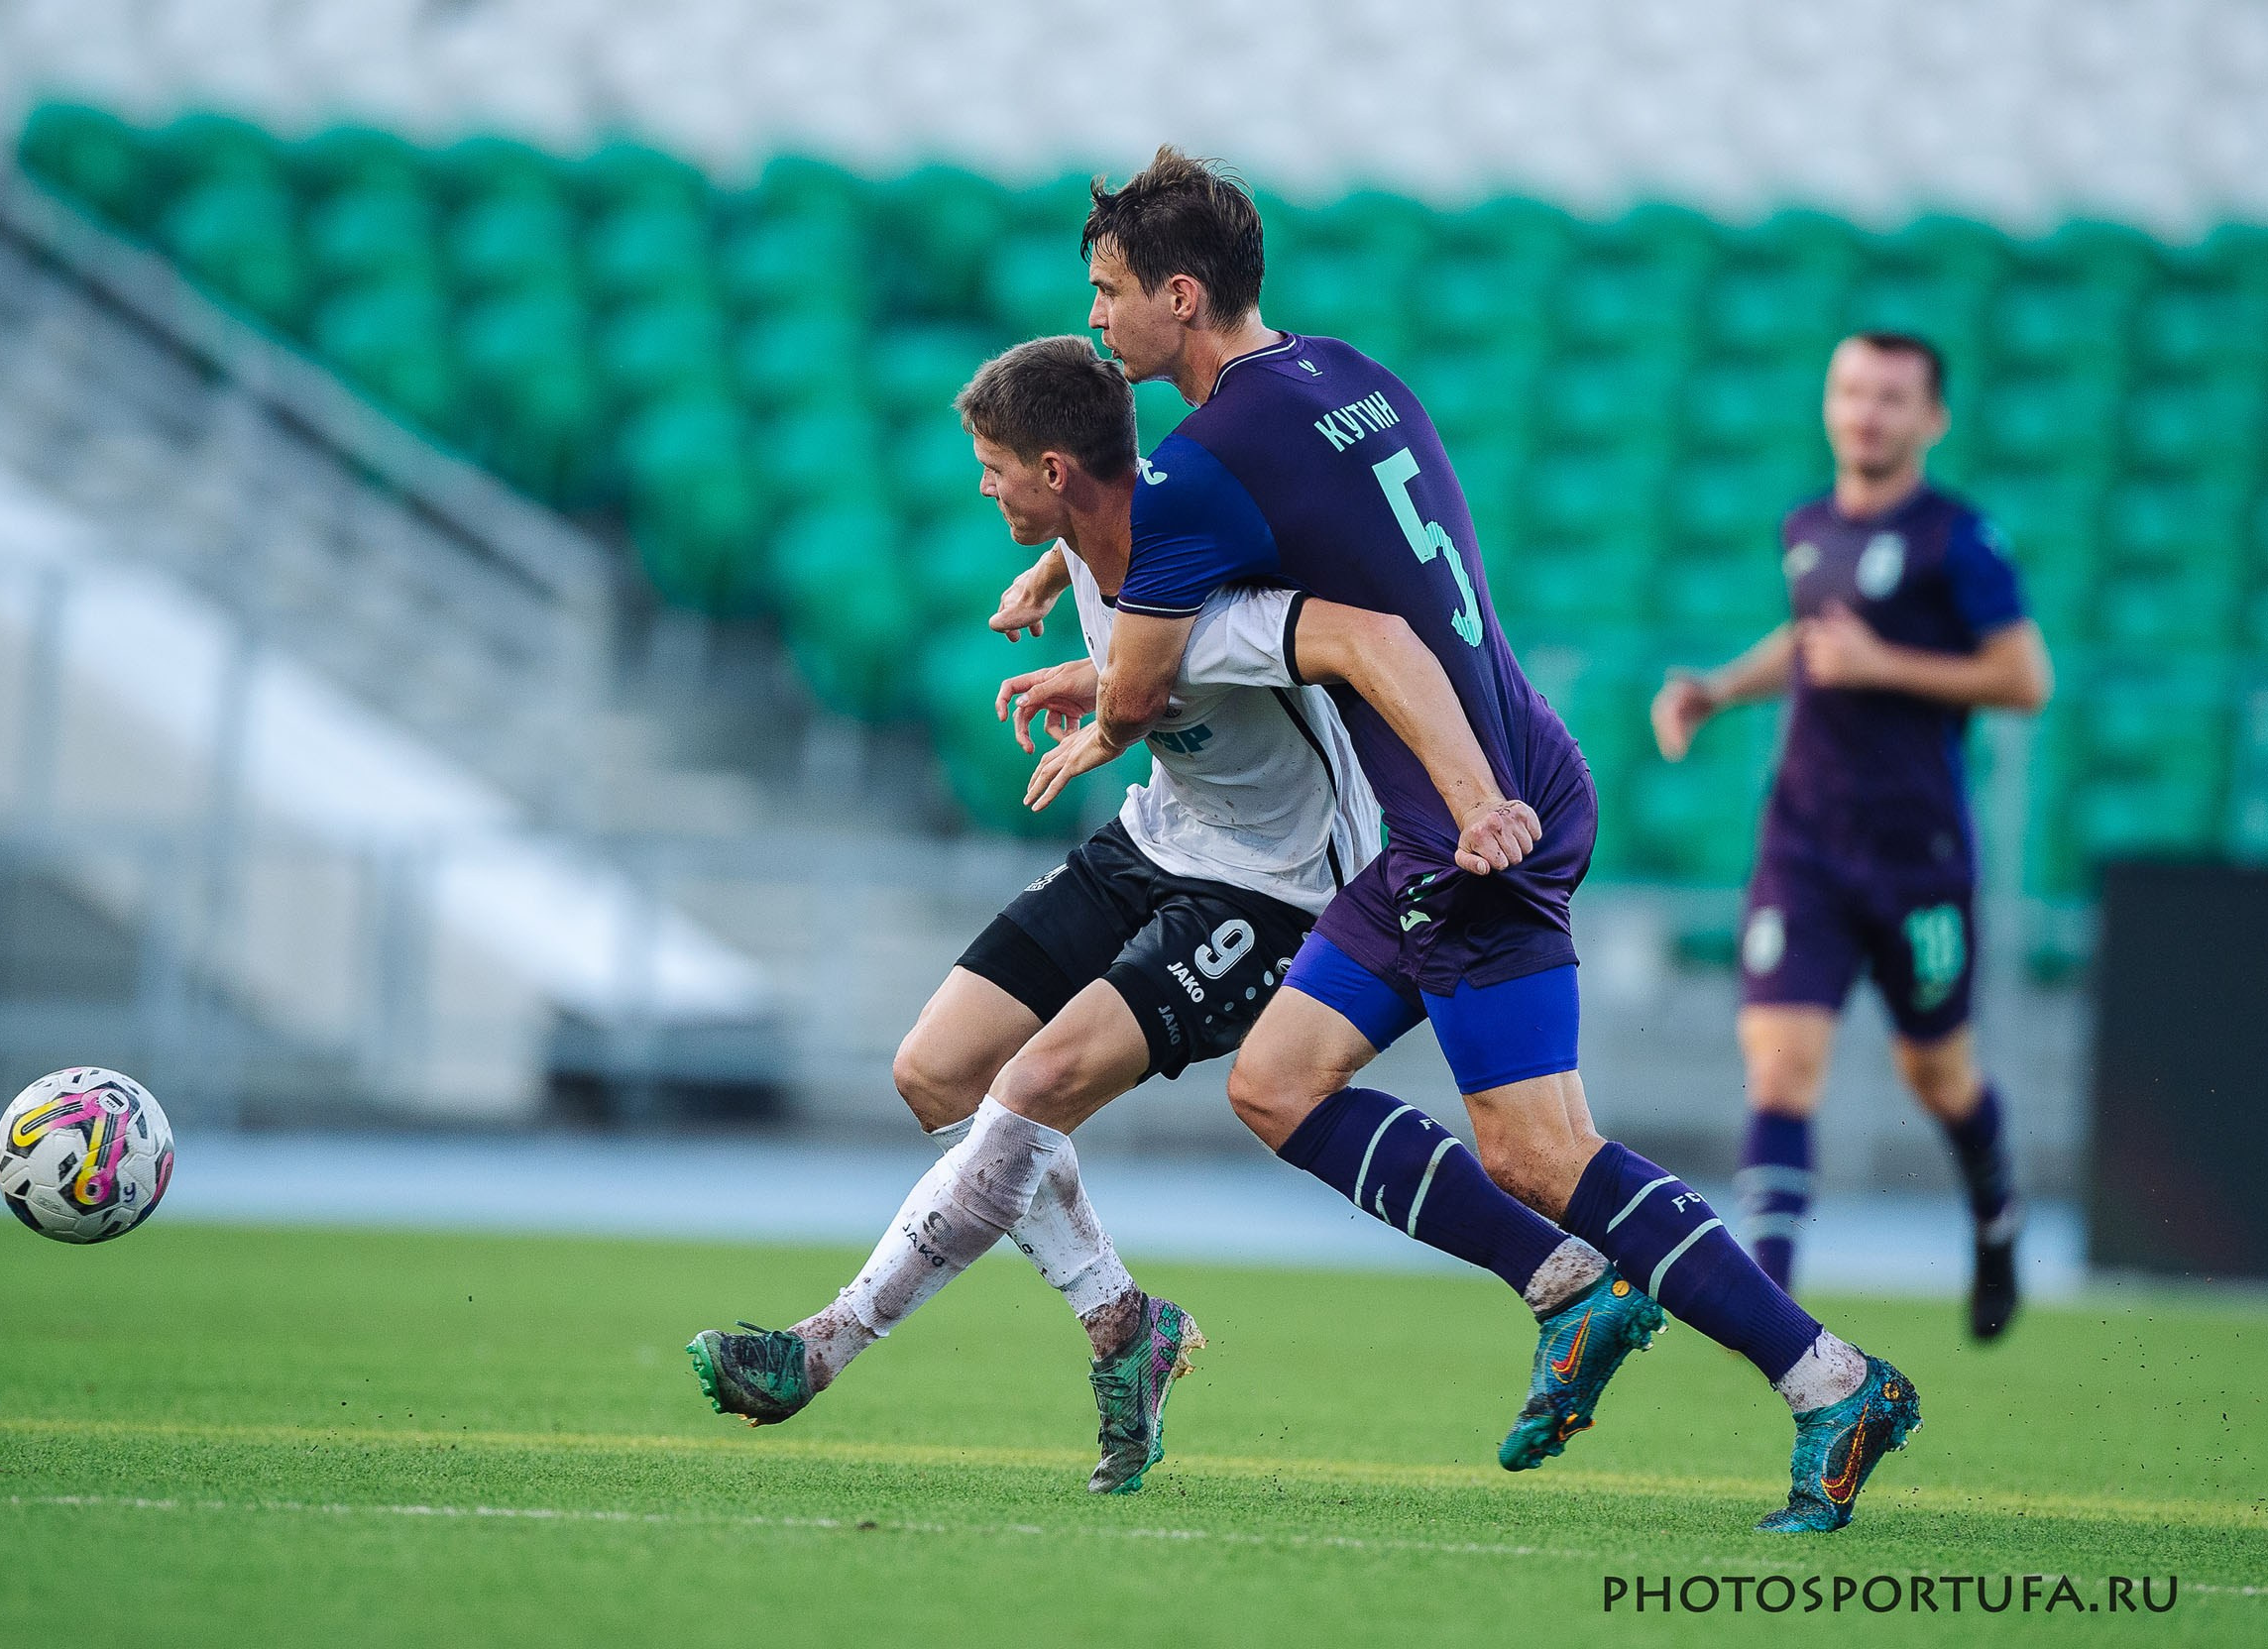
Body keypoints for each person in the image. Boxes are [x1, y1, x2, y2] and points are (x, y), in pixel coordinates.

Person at [1034, 147, 1918, 1533]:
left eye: (1109, 290)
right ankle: (1571, 1293)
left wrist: (1098, 694)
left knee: (1541, 1152)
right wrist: (1072, 555)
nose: (1095, 318)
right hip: (1485, 784)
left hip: (1470, 831)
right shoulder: (1347, 374)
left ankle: (1831, 1379)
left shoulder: (1205, 465)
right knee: (1277, 1083)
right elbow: (1240, 535)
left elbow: (1140, 690)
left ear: (1181, 296)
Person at [689, 335, 1589, 1493]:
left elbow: (1354, 640)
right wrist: (1053, 597)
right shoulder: (1087, 535)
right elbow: (1106, 590)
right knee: (936, 1071)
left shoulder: (1212, 589)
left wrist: (1115, 711)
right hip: (1152, 840)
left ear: (1054, 470)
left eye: (993, 468)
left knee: (1035, 1084)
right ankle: (1125, 1320)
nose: (981, 488)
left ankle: (820, 1347)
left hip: (1270, 888)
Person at [1650, 331, 2053, 1341]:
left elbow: (2024, 678)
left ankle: (1996, 1216)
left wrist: (1886, 666)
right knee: (1779, 1067)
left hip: (1917, 858)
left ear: (1932, 418)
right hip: (1805, 845)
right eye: (1851, 392)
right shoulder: (1807, 525)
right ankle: (1771, 1315)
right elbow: (1810, 641)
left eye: (1890, 397)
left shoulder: (1959, 540)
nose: (1866, 413)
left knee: (1937, 1076)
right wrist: (1717, 689)